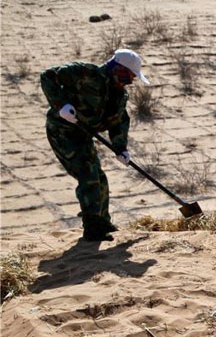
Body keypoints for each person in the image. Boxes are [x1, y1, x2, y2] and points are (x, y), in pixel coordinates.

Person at [40, 49, 149, 241]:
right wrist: (61, 105)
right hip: (62, 132)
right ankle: (92, 228)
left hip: (83, 135)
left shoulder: (119, 96)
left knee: (100, 179)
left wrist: (121, 148)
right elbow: (48, 76)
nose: (129, 82)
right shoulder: (84, 73)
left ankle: (102, 222)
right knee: (88, 175)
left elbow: (119, 122)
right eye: (128, 76)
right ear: (117, 69)